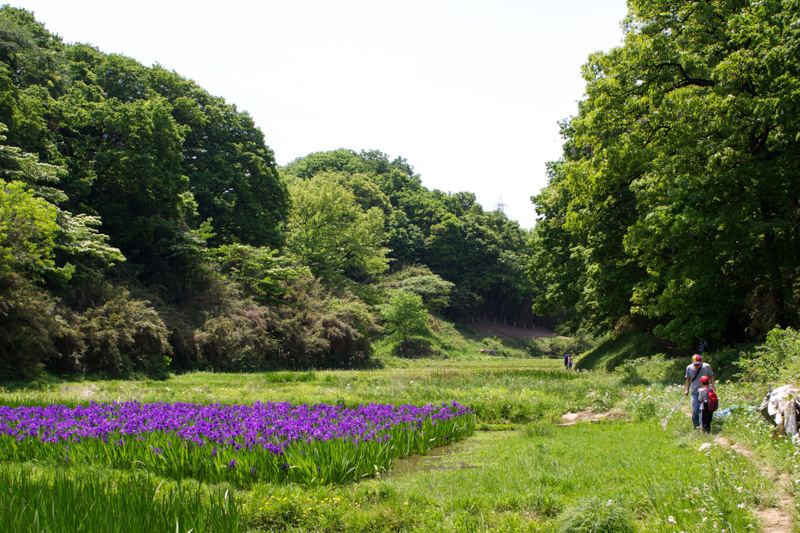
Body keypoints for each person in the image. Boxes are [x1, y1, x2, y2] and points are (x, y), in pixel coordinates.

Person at [684, 354, 714, 429]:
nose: (696, 366)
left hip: (705, 392)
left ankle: (702, 426)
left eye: (698, 364)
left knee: (703, 411)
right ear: (692, 362)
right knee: (695, 411)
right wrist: (687, 390)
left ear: (701, 362)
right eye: (695, 364)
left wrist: (713, 386)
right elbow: (688, 379)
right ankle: (696, 426)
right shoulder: (689, 368)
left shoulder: (707, 366)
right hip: (694, 392)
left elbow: (711, 376)